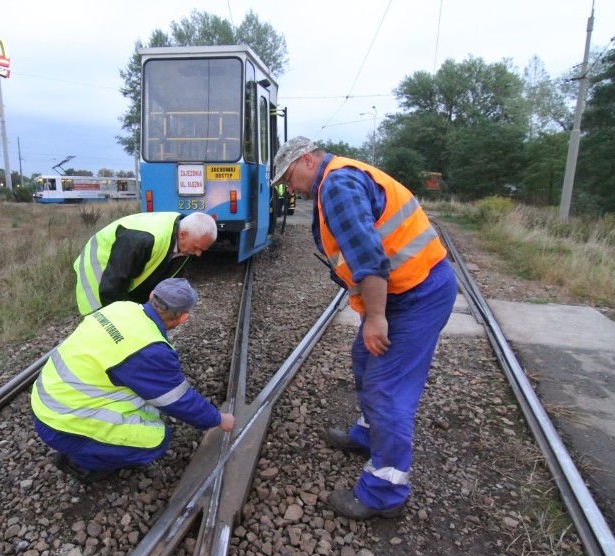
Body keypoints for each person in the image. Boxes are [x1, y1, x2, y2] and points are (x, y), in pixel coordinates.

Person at [271, 136, 457, 520]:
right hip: (402, 290)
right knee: (364, 358)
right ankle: (369, 434)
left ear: (307, 161)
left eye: (289, 178)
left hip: (417, 294)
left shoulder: (336, 185)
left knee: (386, 387)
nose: (291, 189)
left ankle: (384, 492)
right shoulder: (335, 180)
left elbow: (369, 259)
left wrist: (375, 317)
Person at [31, 277, 235, 483]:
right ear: (183, 318)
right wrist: (218, 419)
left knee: (146, 405)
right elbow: (178, 400)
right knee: (155, 440)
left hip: (45, 399)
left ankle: (84, 447)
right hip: (60, 424)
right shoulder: (149, 349)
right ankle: (80, 462)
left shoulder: (121, 307)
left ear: (151, 296)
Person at [73, 211, 217, 316]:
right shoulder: (144, 240)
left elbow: (160, 281)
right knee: (104, 323)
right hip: (99, 271)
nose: (198, 254)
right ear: (183, 234)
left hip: (122, 272)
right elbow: (112, 284)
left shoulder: (186, 241)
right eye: (197, 248)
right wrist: (120, 319)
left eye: (203, 250)